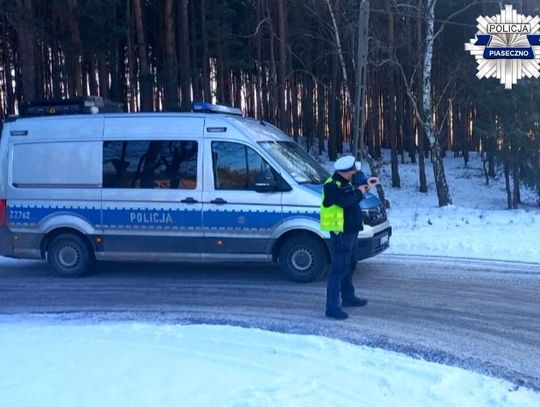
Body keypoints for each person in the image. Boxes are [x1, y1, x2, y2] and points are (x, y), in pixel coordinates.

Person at [320, 155, 379, 320]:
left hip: (351, 232)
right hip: (341, 233)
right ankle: (332, 307)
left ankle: (348, 297)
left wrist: (366, 187)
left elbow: (353, 196)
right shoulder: (331, 186)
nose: (355, 172)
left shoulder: (346, 183)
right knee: (339, 269)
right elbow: (346, 201)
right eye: (353, 170)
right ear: (346, 172)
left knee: (350, 266)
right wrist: (359, 192)